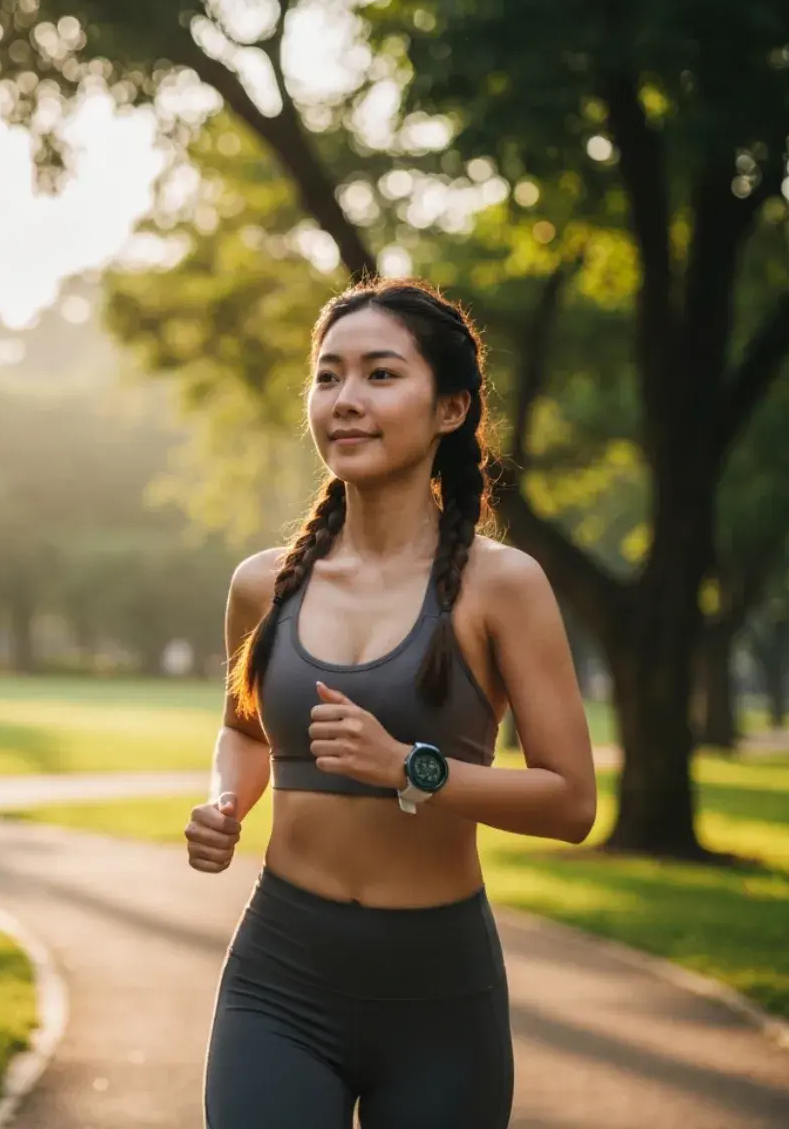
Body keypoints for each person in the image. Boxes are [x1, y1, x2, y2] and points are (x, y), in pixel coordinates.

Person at [186, 278, 597, 1128]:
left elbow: (571, 803)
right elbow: (244, 729)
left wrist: (409, 766)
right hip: (281, 980)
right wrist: (228, 799)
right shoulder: (263, 584)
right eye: (328, 376)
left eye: (379, 375)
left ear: (450, 409)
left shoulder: (503, 587)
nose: (345, 400)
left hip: (440, 997)